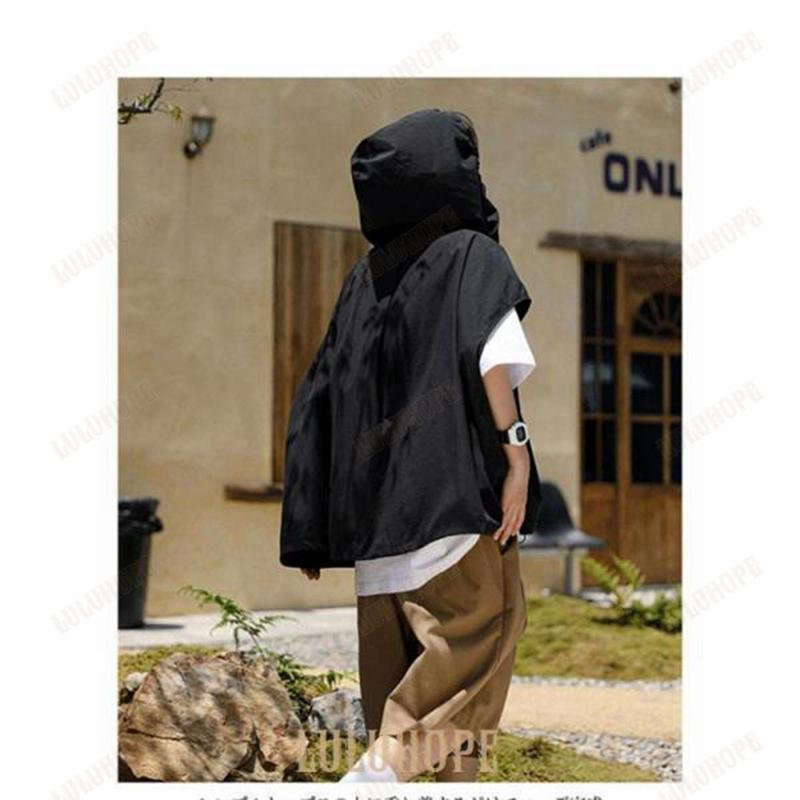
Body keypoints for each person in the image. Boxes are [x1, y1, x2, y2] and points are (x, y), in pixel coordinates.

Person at [279, 108, 541, 782]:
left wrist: (310, 532)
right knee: (474, 663)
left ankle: (387, 772)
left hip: (378, 550)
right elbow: (493, 359)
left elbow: (317, 401)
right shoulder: (471, 255)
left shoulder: (362, 282)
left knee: (416, 721)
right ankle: (377, 774)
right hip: (453, 523)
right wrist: (516, 457)